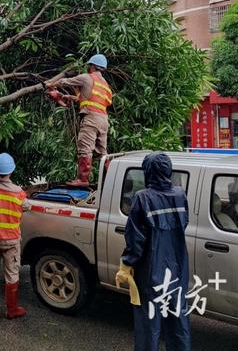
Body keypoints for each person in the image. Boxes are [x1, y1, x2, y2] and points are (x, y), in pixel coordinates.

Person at [116, 152, 191, 351]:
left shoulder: (142, 198)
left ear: (148, 171)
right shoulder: (180, 194)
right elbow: (182, 225)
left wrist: (127, 264)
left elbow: (135, 238)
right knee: (177, 319)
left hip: (151, 270)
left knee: (149, 323)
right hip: (178, 267)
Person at [46, 54, 112, 186]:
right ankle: (111, 180)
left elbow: (65, 81)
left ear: (92, 66)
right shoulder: (105, 84)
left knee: (85, 149)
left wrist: (51, 84)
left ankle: (83, 180)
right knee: (102, 153)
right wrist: (70, 97)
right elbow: (92, 99)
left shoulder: (87, 77)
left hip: (91, 119)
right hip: (103, 120)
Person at [0, 153, 30, 319]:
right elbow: (27, 207)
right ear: (11, 171)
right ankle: (11, 310)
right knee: (12, 274)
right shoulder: (19, 193)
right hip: (11, 240)